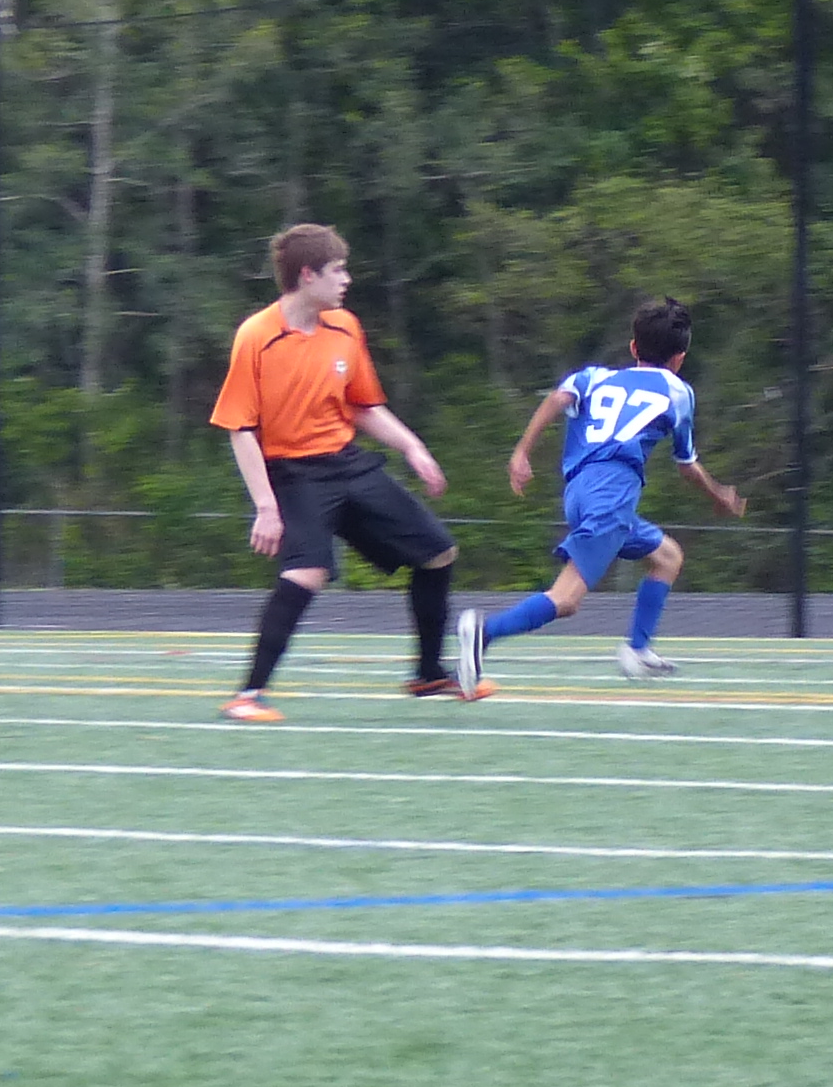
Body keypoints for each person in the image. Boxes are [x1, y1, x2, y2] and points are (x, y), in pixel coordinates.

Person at [209, 222, 473, 720]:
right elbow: (239, 429)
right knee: (306, 573)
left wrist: (413, 448)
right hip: (293, 473)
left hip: (348, 463)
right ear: (308, 276)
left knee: (438, 554)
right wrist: (265, 507)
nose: (346, 279)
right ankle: (248, 695)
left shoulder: (346, 326)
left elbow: (363, 406)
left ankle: (429, 674)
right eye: (338, 270)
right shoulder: (256, 336)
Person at [461, 296, 745, 691]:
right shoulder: (679, 393)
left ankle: (638, 651)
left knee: (666, 556)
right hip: (612, 495)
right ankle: (484, 633)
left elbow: (558, 398)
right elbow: (687, 465)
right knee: (566, 599)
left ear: (633, 347)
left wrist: (522, 451)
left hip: (578, 492)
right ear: (680, 358)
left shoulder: (594, 377)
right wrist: (718, 495)